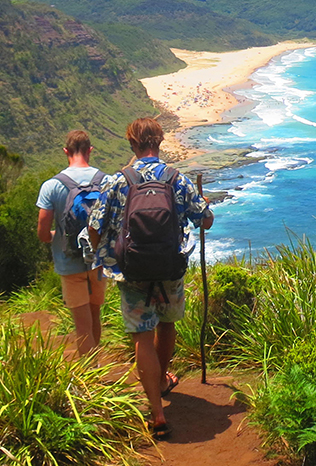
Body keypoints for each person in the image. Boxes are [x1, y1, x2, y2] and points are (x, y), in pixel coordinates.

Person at [87, 117, 213, 440]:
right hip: (170, 268)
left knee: (142, 335)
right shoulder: (175, 178)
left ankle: (156, 412)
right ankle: (161, 380)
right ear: (159, 142)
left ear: (132, 144)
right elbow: (206, 220)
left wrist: (101, 252)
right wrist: (204, 206)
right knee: (166, 324)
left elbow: (94, 227)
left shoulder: (119, 181)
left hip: (131, 271)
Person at [35, 129, 108, 357]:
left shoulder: (52, 186)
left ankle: (90, 373)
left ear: (66, 151)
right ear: (90, 150)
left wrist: (56, 236)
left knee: (81, 323)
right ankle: (96, 367)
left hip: (68, 262)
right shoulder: (105, 180)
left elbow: (43, 231)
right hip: (98, 260)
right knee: (95, 315)